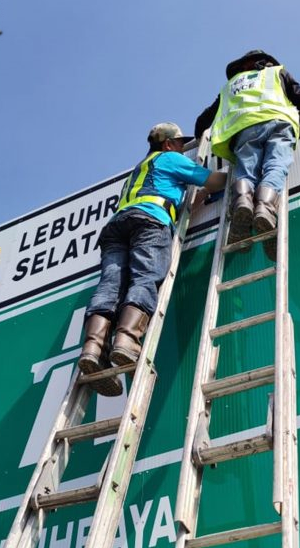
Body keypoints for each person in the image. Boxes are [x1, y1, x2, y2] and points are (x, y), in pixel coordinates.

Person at [79, 122, 227, 396]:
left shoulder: (139, 171)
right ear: (168, 144)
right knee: (145, 276)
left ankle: (92, 349)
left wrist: (197, 198)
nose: (183, 149)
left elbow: (176, 207)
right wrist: (236, 174)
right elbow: (211, 180)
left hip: (117, 227)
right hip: (150, 222)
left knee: (110, 285)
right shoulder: (169, 158)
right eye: (180, 144)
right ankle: (126, 342)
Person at [194, 50, 300, 260]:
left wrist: (199, 144)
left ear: (242, 66)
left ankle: (242, 202)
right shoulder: (277, 73)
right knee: (276, 166)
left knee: (246, 171)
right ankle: (265, 208)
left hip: (243, 131)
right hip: (278, 124)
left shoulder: (229, 87)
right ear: (265, 61)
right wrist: (297, 133)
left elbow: (203, 120)